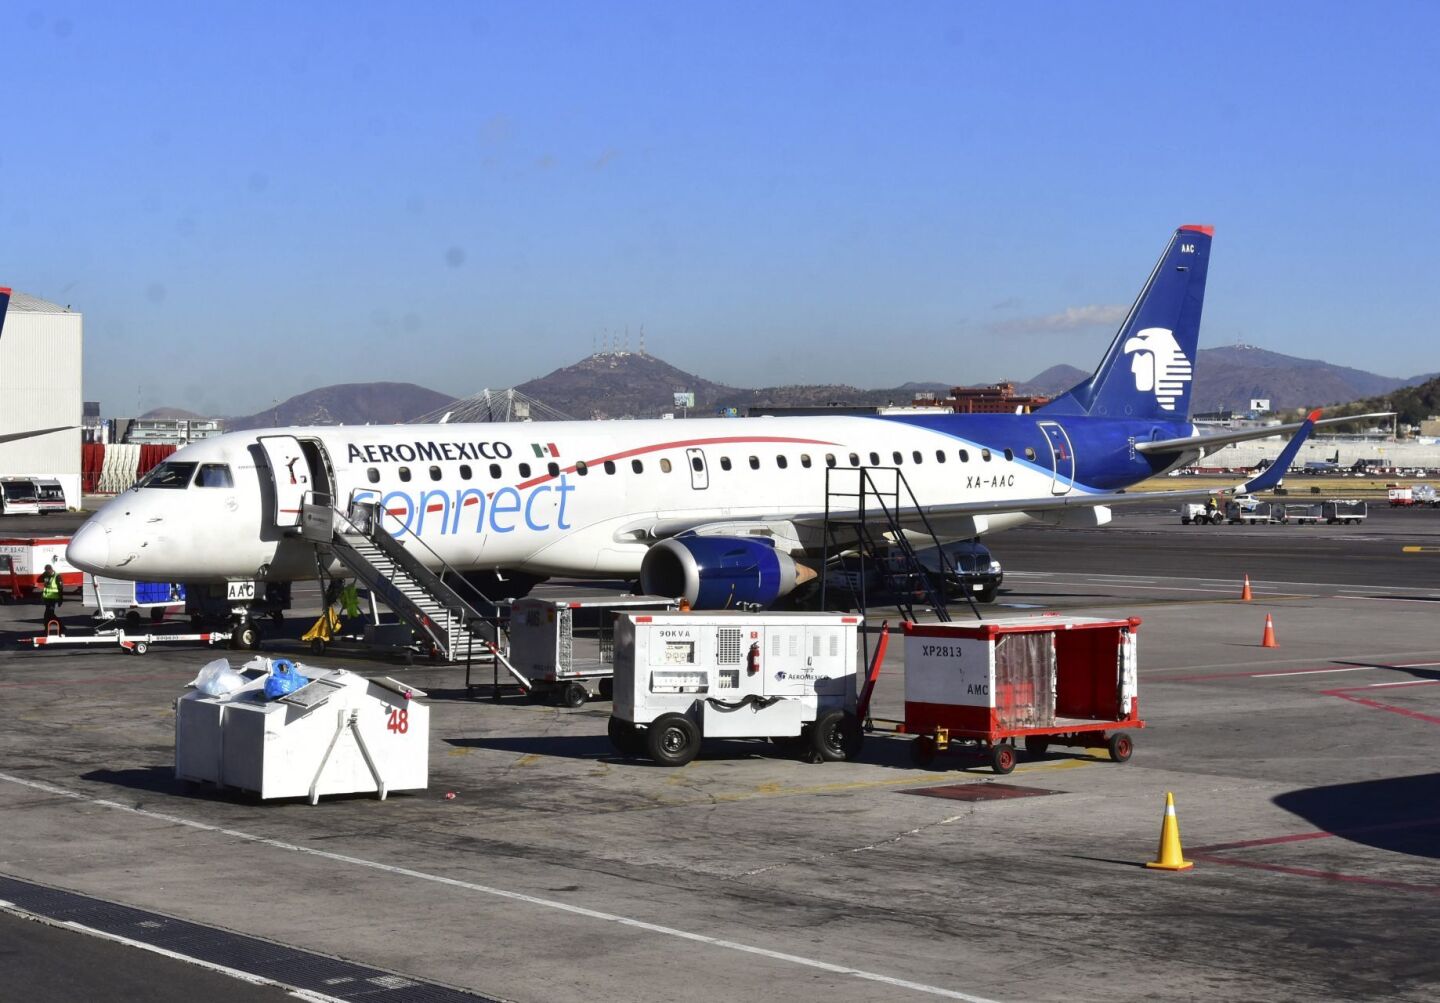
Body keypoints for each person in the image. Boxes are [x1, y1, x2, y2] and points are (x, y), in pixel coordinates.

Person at [41, 563, 64, 632]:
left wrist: (61, 599)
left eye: (48, 571)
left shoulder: (57, 576)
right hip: (47, 598)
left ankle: (61, 626)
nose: (47, 572)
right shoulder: (46, 576)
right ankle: (46, 629)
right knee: (47, 615)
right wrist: (44, 574)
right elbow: (38, 579)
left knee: (50, 614)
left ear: (51, 569)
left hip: (53, 599)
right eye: (46, 571)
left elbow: (60, 588)